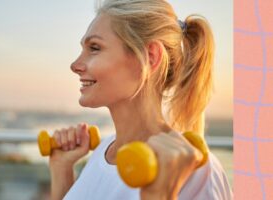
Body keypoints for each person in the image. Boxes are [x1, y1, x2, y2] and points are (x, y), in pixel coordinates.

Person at [48, 0, 233, 199]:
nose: (75, 65)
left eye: (94, 48)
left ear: (151, 57)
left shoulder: (196, 172)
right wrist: (61, 170)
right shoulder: (103, 152)